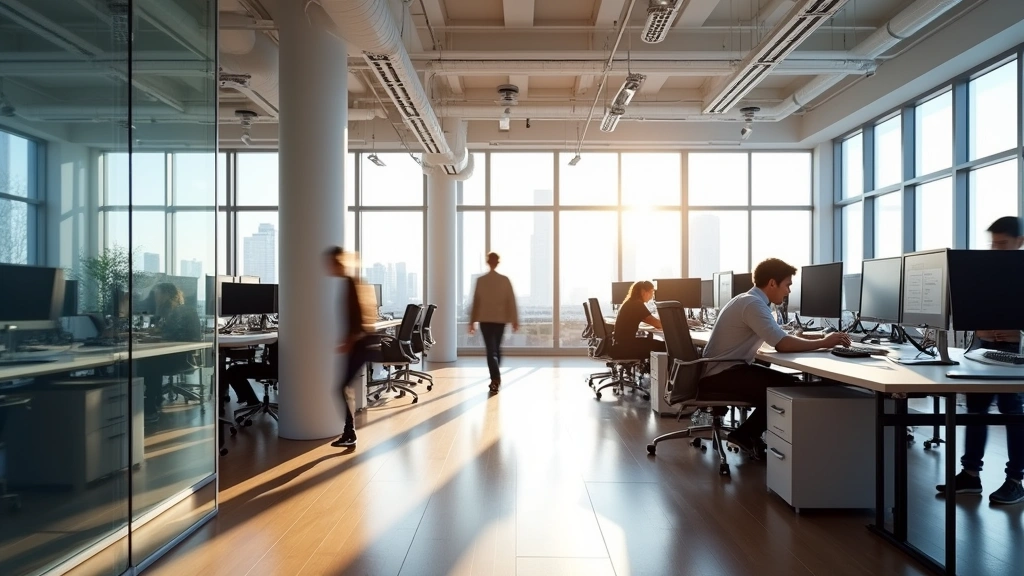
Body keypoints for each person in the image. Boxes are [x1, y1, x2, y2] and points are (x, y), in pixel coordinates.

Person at [699, 258, 851, 455]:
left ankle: (748, 435)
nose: (788, 291)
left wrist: (809, 337)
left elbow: (776, 337)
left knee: (784, 382)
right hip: (722, 375)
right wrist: (824, 342)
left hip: (722, 370)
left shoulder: (746, 300)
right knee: (787, 386)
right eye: (787, 285)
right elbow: (782, 344)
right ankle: (746, 435)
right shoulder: (753, 304)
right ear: (772, 283)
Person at [937, 216, 1024, 505]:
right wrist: (978, 326)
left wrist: (1019, 333)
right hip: (983, 347)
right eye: (993, 244)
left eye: (1003, 244)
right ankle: (970, 475)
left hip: (1014, 352)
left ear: (1019, 242)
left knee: (1013, 411)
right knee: (975, 409)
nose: (996, 250)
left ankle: (1015, 480)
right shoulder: (986, 272)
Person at [325, 246, 376, 449]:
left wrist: (350, 340)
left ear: (338, 262)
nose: (328, 267)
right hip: (360, 343)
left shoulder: (350, 283)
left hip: (360, 344)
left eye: (330, 263)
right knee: (344, 388)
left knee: (341, 388)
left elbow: (358, 316)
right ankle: (349, 431)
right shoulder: (352, 281)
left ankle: (350, 432)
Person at [141, 283, 202, 422]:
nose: (155, 298)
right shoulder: (178, 310)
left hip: (181, 358)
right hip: (183, 355)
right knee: (150, 360)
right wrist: (158, 333)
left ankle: (150, 405)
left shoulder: (179, 311)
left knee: (148, 363)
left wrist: (153, 338)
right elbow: (172, 333)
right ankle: (155, 397)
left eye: (157, 294)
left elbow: (173, 336)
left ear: (167, 295)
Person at [469, 252, 519, 393]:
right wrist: (514, 320)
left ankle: (495, 377)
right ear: (497, 262)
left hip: (485, 320)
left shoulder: (481, 280)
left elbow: (476, 303)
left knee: (491, 350)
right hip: (500, 320)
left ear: (487, 262)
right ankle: (495, 378)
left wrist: (472, 321)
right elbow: (511, 301)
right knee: (496, 349)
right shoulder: (505, 280)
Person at [612, 281, 666, 358]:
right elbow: (656, 323)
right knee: (664, 346)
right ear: (643, 292)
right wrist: (671, 325)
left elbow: (650, 321)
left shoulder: (631, 302)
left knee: (652, 341)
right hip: (626, 347)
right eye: (651, 292)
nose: (652, 296)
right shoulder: (637, 305)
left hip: (621, 344)